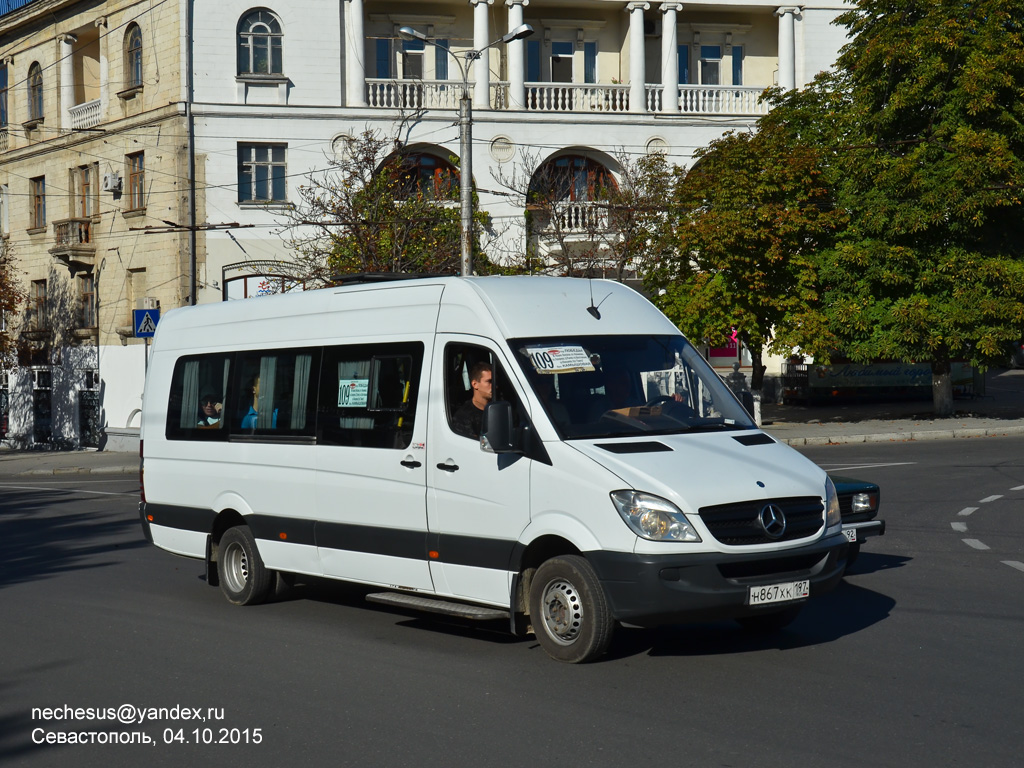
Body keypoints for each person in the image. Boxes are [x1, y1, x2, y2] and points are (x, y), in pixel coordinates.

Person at [451, 361, 492, 439]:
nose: (494, 386)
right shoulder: (463, 416)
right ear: (475, 384)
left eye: (495, 381)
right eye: (489, 381)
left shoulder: (502, 409)